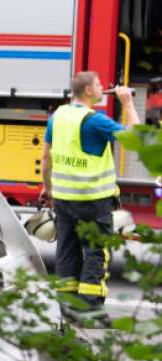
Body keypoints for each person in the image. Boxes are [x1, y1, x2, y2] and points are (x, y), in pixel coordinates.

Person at [39, 71, 140, 324]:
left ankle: (67, 310)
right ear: (87, 91)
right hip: (93, 200)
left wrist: (47, 188)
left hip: (63, 198)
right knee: (95, 253)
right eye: (97, 84)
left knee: (67, 251)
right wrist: (127, 103)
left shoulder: (58, 116)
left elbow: (46, 158)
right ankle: (91, 312)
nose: (101, 87)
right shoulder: (95, 121)